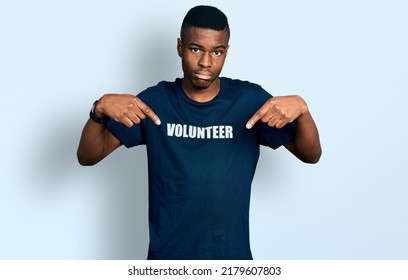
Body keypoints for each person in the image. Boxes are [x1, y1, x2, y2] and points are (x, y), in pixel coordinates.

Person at [77, 5, 321, 260]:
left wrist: (303, 111)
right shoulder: (155, 102)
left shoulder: (249, 101)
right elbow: (88, 156)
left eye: (217, 52)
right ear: (180, 47)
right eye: (196, 49)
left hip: (231, 260)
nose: (206, 62)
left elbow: (310, 155)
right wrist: (99, 109)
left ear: (226, 51)